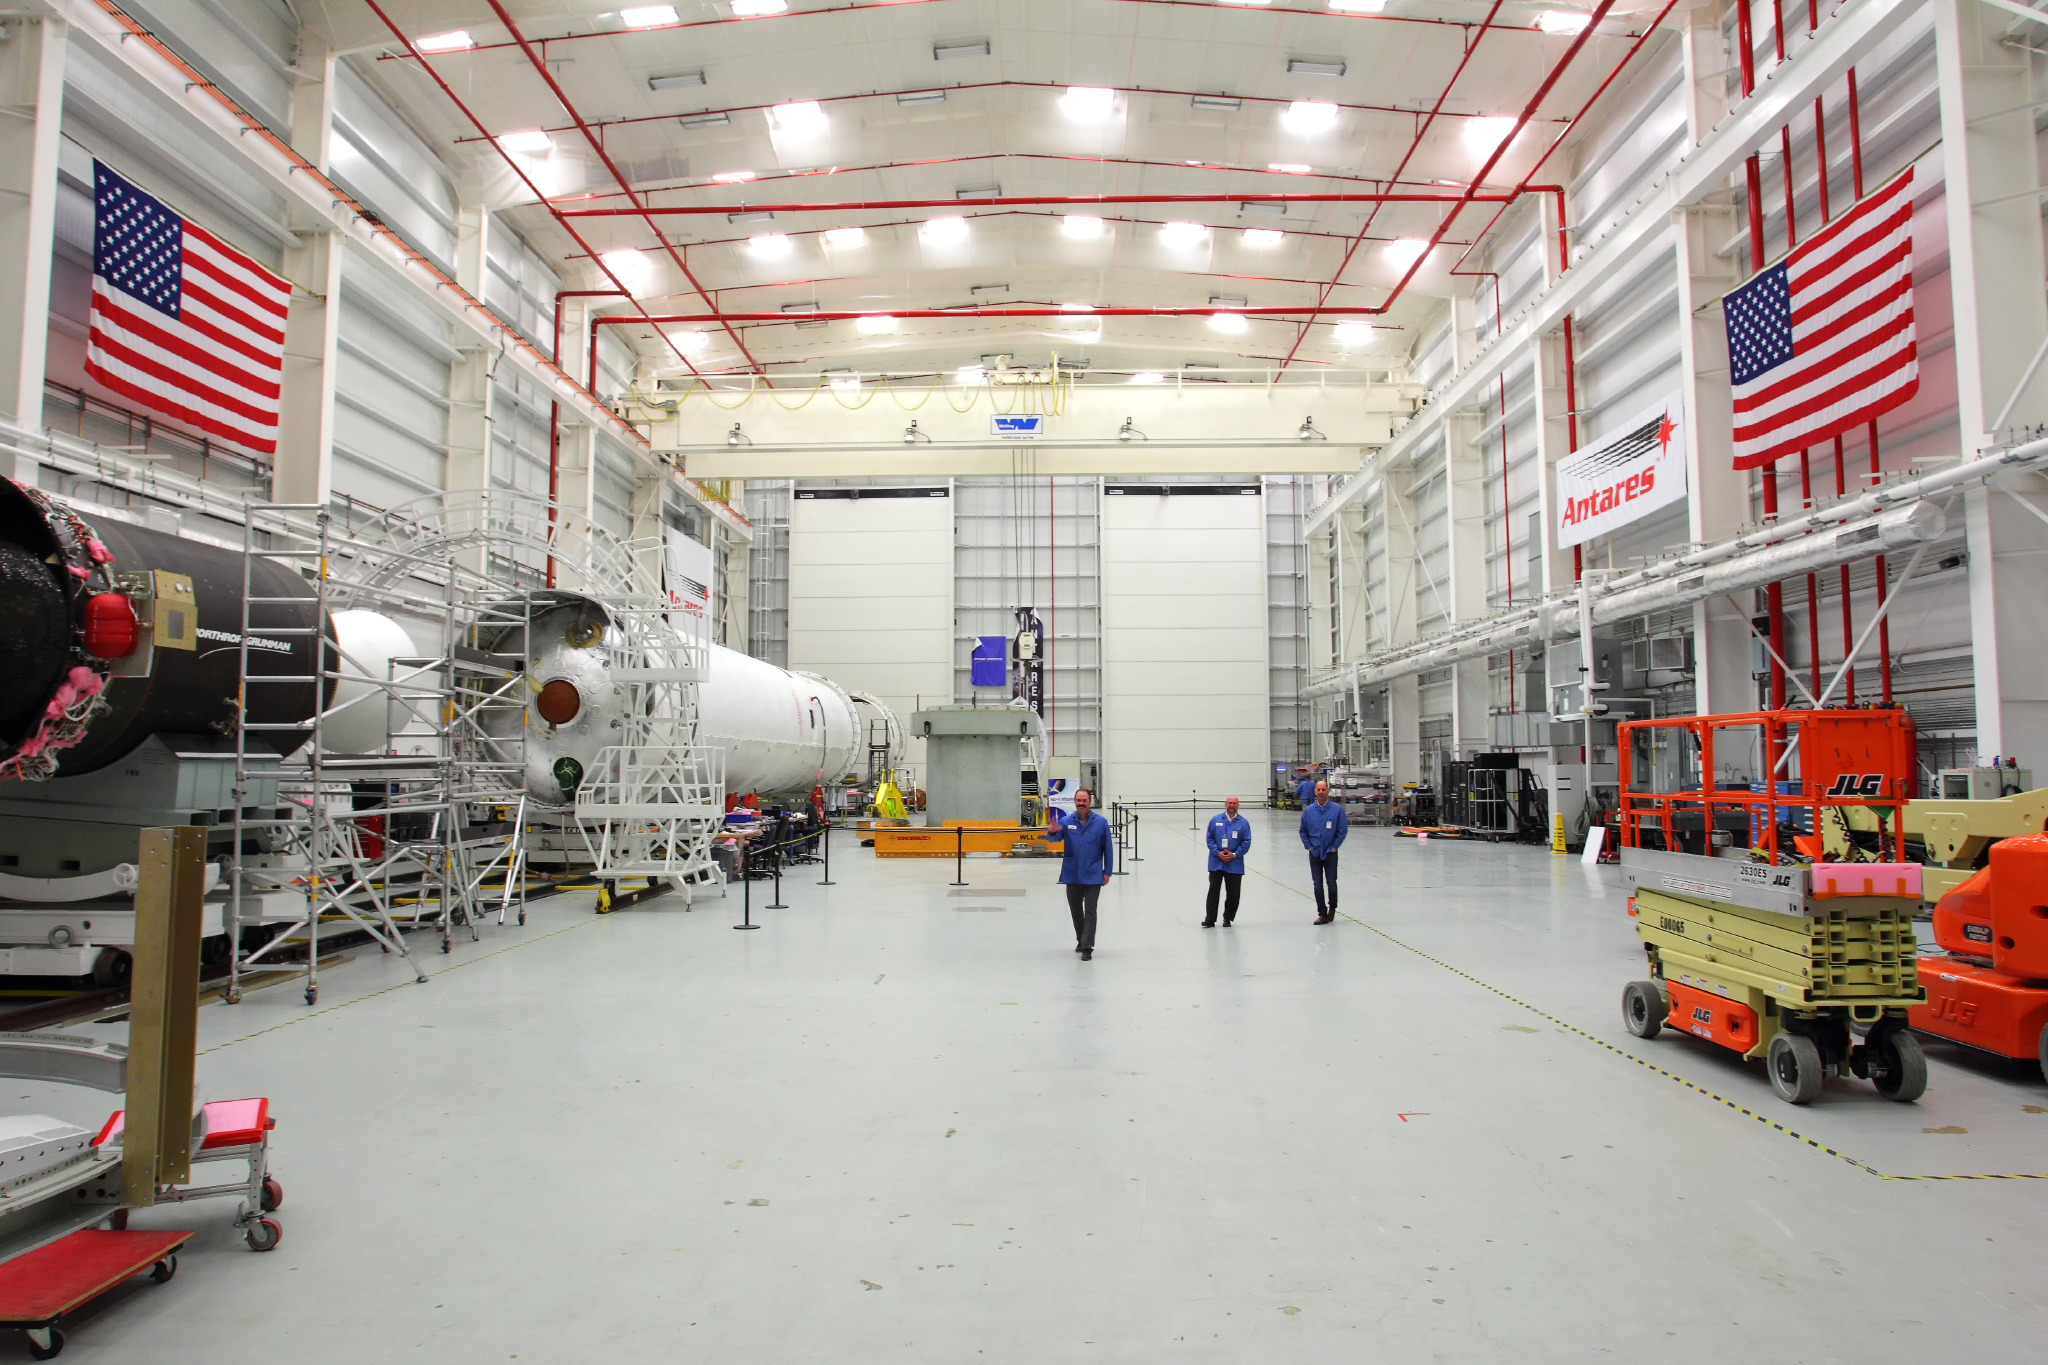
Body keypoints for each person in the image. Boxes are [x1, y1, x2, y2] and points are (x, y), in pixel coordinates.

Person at [1045, 787, 1113, 960]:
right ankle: (1081, 939)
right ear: (1075, 802)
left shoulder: (1101, 822)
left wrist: (1107, 871)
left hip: (1093, 873)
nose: (1081, 803)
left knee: (1090, 911)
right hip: (1072, 873)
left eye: (1084, 801)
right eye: (1078, 800)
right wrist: (1052, 831)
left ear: (1090, 803)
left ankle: (1087, 947)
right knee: (1076, 910)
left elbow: (1108, 849)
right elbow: (1055, 838)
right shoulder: (1067, 821)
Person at [1299, 779, 1348, 924]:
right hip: (1314, 853)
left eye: (1323, 789)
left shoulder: (1336, 809)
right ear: (1315, 792)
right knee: (1317, 884)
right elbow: (1303, 831)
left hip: (1330, 853)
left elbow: (1342, 830)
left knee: (1331, 883)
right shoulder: (1308, 811)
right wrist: (1308, 846)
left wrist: (1334, 847)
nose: (1321, 792)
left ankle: (1332, 909)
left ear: (1328, 791)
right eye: (1318, 790)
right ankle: (1322, 912)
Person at [1203, 795, 1252, 927]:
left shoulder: (1243, 823)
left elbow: (1246, 842)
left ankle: (1228, 918)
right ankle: (1210, 919)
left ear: (1238, 805)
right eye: (1229, 803)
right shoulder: (1215, 820)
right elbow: (1210, 839)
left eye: (1234, 803)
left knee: (1233, 893)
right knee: (1213, 891)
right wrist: (1217, 853)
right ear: (1225, 804)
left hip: (1234, 862)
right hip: (1216, 862)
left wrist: (1234, 854)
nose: (1232, 806)